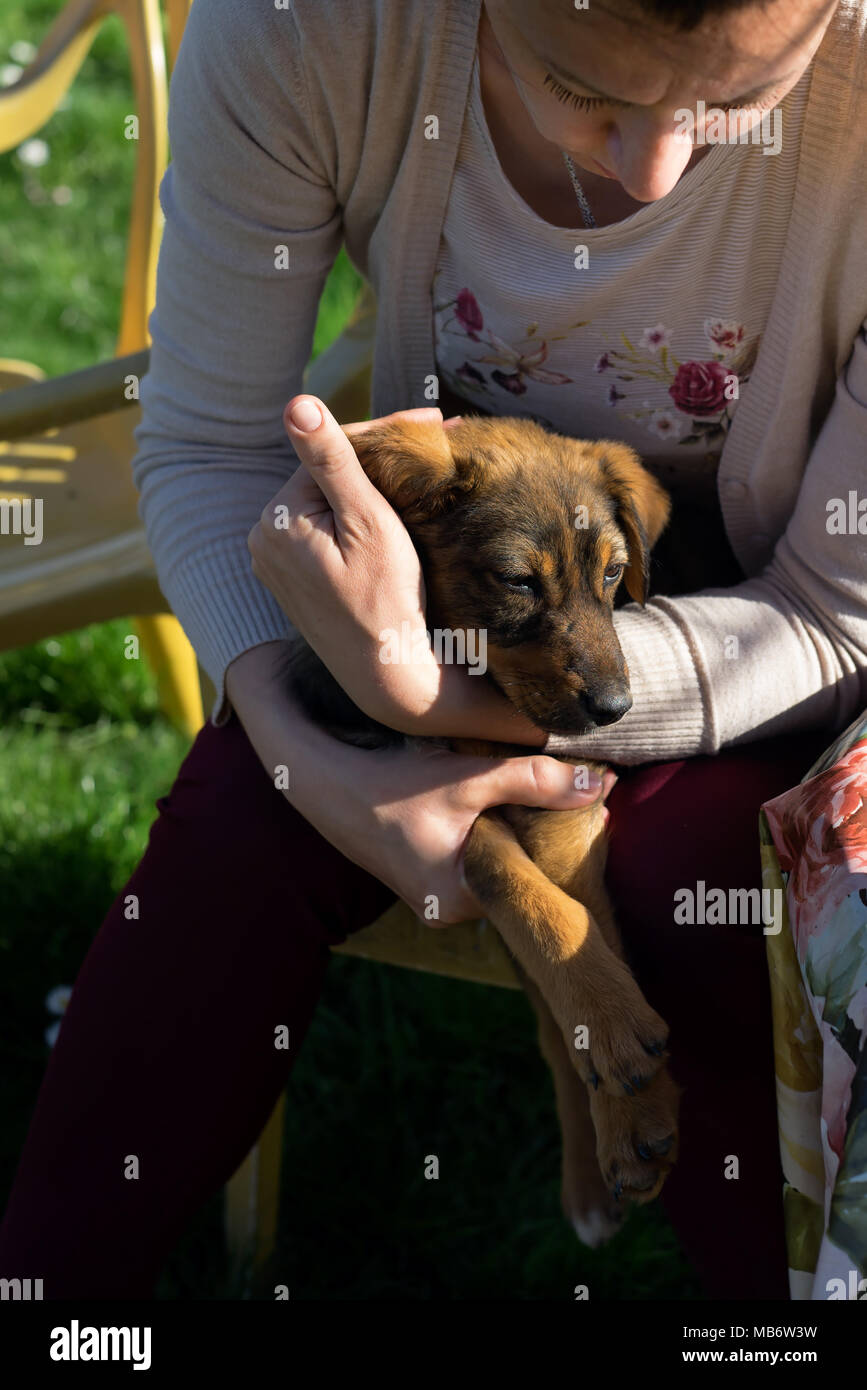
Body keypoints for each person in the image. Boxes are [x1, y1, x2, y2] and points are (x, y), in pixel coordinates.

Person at [1, 0, 864, 1300]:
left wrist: (429, 694)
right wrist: (303, 743)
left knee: (719, 905)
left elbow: (824, 605)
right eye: (583, 90)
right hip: (433, 620)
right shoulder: (317, 30)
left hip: (766, 656)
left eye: (730, 105)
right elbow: (206, 444)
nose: (653, 170)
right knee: (238, 833)